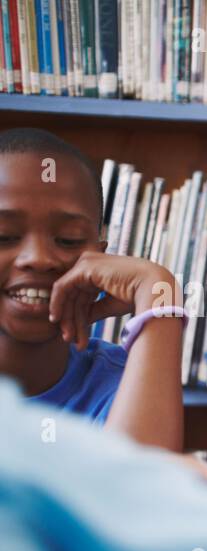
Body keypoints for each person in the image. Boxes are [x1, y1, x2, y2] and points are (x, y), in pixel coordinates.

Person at [0, 127, 184, 451]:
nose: (39, 259)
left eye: (69, 239)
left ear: (100, 259)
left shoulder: (126, 388)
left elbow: (140, 489)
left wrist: (158, 289)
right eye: (4, 236)